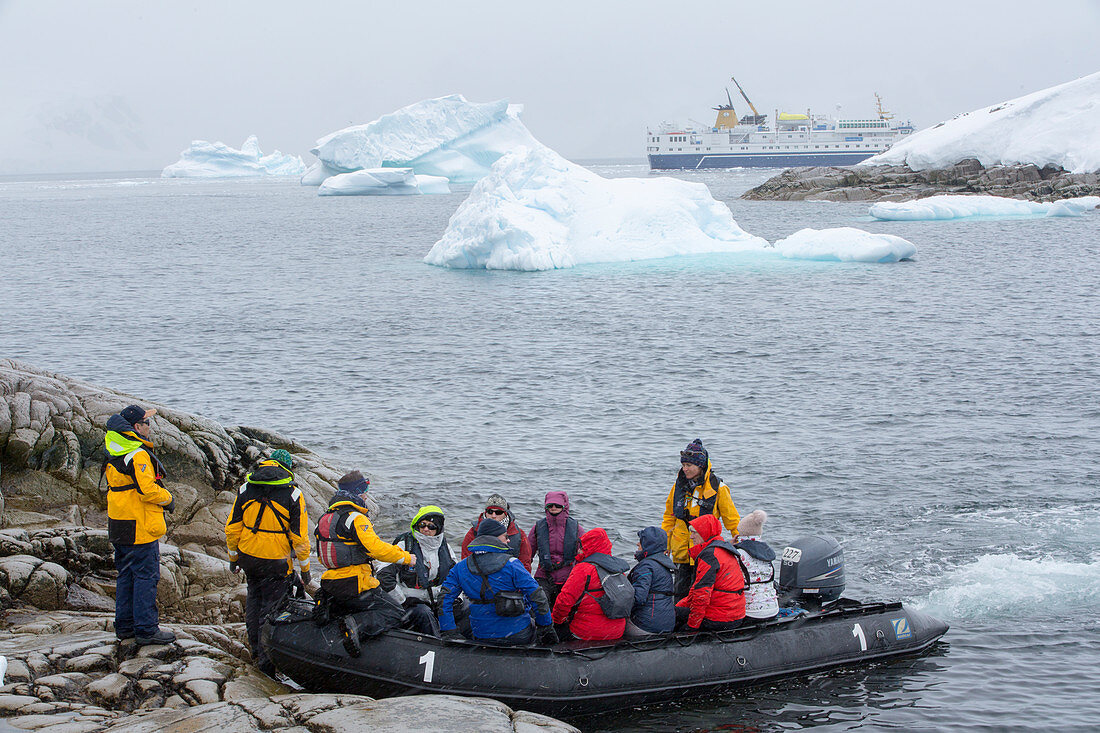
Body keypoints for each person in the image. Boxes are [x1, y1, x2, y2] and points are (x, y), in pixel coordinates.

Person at [314, 471, 432, 654]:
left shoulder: (324, 519)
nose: (366, 495)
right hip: (356, 584)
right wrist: (407, 557)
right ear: (357, 491)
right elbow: (375, 549)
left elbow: (322, 557)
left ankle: (337, 625)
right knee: (394, 612)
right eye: (364, 489)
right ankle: (355, 628)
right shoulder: (356, 518)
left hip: (331, 583)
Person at [224, 449, 311, 675]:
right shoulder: (292, 495)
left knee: (254, 601)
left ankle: (255, 648)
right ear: (286, 468)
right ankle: (267, 661)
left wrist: (234, 558)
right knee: (272, 610)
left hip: (249, 558)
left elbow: (232, 528)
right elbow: (299, 537)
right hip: (276, 561)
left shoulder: (245, 488)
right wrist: (306, 568)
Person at [103, 404, 176, 645]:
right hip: (139, 525)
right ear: (136, 427)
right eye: (147, 423)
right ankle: (146, 629)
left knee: (125, 575)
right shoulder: (138, 453)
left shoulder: (114, 449)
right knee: (146, 576)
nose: (149, 426)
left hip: (119, 521)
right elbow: (147, 491)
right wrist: (168, 499)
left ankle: (124, 627)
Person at [439, 518, 557, 646]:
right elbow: (537, 596)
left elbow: (444, 599)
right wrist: (546, 627)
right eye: (505, 536)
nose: (508, 540)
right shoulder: (512, 564)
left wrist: (448, 630)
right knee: (536, 629)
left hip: (481, 634)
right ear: (494, 538)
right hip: (517, 633)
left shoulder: (460, 567)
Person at [662, 439, 741, 600]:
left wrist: (741, 541)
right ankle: (679, 622)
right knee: (680, 594)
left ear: (700, 465)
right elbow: (669, 517)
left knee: (702, 593)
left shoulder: (719, 489)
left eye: (689, 465)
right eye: (683, 465)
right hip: (682, 552)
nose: (685, 469)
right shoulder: (678, 487)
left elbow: (731, 519)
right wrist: (666, 544)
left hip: (706, 552)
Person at [376, 505, 454, 628]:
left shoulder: (445, 548)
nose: (426, 529)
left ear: (438, 529)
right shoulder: (404, 545)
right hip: (408, 600)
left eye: (431, 526)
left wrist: (456, 598)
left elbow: (456, 577)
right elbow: (383, 576)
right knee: (424, 613)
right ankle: (435, 643)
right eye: (422, 524)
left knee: (463, 608)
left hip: (436, 598)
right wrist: (403, 600)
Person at [551, 528, 629, 641]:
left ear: (589, 548)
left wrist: (557, 621)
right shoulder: (618, 568)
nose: (579, 551)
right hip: (617, 631)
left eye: (582, 547)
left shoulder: (583, 569)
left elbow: (564, 601)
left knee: (554, 631)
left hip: (587, 632)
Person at [675, 514, 747, 632]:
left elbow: (701, 595)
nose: (691, 537)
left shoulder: (709, 556)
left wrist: (691, 627)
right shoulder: (723, 549)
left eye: (694, 532)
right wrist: (679, 606)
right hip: (735, 615)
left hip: (719, 618)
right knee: (676, 611)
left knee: (674, 619)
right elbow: (696, 591)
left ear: (704, 533)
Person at [527, 491, 583, 607]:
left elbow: (584, 555)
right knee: (540, 605)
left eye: (557, 505)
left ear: (565, 506)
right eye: (550, 505)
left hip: (568, 577)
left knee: (566, 609)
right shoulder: (538, 527)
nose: (553, 508)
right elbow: (527, 555)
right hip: (544, 575)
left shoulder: (576, 528)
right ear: (545, 506)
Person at [624, 526, 676, 637]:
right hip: (667, 624)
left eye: (641, 542)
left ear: (649, 545)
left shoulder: (646, 566)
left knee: (617, 623)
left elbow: (639, 598)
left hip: (648, 626)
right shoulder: (664, 564)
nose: (638, 544)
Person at [461, 494, 532, 572]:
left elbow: (525, 564)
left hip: (508, 579)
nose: (493, 516)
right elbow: (465, 562)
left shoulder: (518, 534)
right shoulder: (473, 532)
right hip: (479, 578)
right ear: (485, 512)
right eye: (490, 511)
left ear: (505, 513)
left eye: (498, 512)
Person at [733, 510, 779, 623]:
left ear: (741, 533)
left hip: (750, 613)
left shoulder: (738, 554)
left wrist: (729, 546)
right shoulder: (767, 553)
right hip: (773, 609)